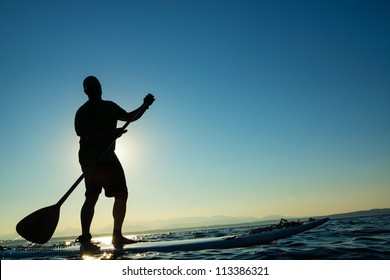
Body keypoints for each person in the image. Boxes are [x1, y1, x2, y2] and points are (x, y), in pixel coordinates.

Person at [74, 76, 155, 252]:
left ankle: (116, 235)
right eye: (91, 87)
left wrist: (145, 106)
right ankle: (86, 239)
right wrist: (112, 134)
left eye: (97, 86)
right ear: (86, 91)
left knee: (122, 194)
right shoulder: (83, 112)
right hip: (91, 159)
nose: (95, 89)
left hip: (110, 157)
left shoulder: (110, 106)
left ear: (101, 87)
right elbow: (89, 136)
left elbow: (129, 117)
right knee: (92, 196)